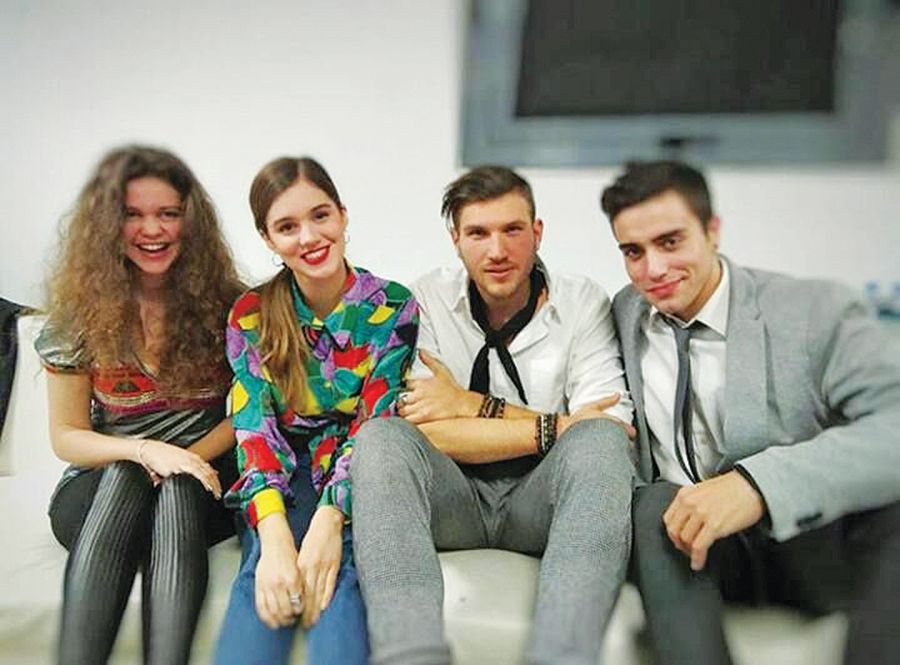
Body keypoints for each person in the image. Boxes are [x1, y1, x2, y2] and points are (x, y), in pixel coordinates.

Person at [601, 160, 900, 665]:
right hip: (697, 556)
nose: (653, 269)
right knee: (651, 504)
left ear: (712, 230)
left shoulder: (815, 310)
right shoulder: (622, 315)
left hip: (808, 545)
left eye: (670, 242)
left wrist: (757, 485)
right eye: (633, 251)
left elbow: (893, 428)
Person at [351, 165, 636, 665]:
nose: (497, 250)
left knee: (601, 444)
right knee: (381, 438)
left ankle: (560, 658)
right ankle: (411, 658)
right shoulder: (428, 299)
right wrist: (554, 426)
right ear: (456, 240)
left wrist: (471, 406)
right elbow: (425, 430)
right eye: (479, 233)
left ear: (537, 232)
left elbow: (609, 428)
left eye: (512, 230)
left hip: (541, 500)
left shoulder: (582, 301)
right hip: (454, 497)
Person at [38, 145, 244, 665]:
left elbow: (248, 414)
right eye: (133, 214)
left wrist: (184, 459)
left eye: (168, 213)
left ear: (190, 222)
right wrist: (145, 451)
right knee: (128, 474)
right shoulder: (78, 315)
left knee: (179, 486)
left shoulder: (232, 308)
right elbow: (67, 436)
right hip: (99, 491)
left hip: (204, 482)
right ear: (108, 224)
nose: (152, 229)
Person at [212, 156, 418, 665]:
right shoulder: (250, 314)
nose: (309, 237)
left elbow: (374, 423)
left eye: (320, 216)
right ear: (267, 238)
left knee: (339, 570)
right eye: (287, 226)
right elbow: (254, 428)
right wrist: (273, 533)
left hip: (361, 465)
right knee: (266, 570)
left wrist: (330, 518)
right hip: (281, 468)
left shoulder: (393, 306)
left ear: (342, 215)